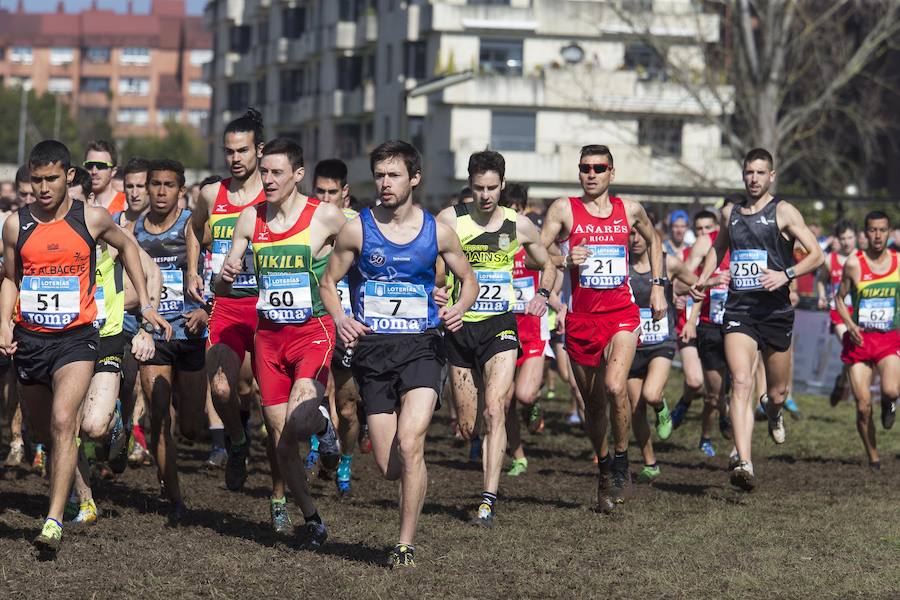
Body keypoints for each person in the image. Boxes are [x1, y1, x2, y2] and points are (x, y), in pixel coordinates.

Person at [0, 140, 167, 553]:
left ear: (69, 176)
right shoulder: (14, 225)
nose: (43, 187)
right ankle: (65, 495)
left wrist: (145, 302)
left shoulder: (90, 218)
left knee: (63, 421)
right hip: (31, 340)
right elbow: (10, 278)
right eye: (36, 179)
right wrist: (3, 321)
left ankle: (54, 519)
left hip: (77, 339)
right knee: (44, 431)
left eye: (51, 178)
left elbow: (128, 246)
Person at [320, 139, 477, 568]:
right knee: (390, 465)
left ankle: (404, 544)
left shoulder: (437, 231)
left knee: (412, 444)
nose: (385, 183)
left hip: (423, 347)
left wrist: (458, 310)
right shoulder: (358, 229)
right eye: (380, 175)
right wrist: (341, 319)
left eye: (394, 175)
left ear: (415, 179)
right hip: (373, 352)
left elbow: (469, 279)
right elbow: (329, 283)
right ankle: (405, 486)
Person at [216, 137, 345, 547]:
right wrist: (228, 271)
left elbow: (368, 242)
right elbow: (221, 281)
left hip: (312, 332)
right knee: (281, 439)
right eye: (264, 172)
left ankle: (323, 426)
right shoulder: (249, 219)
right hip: (269, 338)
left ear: (298, 174)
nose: (267, 180)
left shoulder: (324, 216)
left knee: (300, 419)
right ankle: (312, 518)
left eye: (276, 173)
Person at [540, 144, 665, 512]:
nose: (591, 174)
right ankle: (604, 464)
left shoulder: (630, 210)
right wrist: (563, 259)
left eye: (598, 167)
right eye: (584, 168)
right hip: (582, 321)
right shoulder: (565, 209)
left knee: (615, 386)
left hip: (622, 315)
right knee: (594, 406)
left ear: (612, 172)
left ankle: (624, 460)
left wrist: (658, 285)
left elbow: (654, 240)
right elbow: (534, 249)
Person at [690, 148, 824, 491]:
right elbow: (719, 248)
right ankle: (744, 462)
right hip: (740, 310)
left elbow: (817, 255)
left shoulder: (783, 211)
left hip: (775, 312)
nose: (753, 179)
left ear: (771, 176)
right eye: (749, 172)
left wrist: (786, 274)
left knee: (777, 392)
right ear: (743, 174)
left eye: (760, 173)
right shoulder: (731, 213)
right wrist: (704, 278)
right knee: (741, 381)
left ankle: (774, 411)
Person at [437, 150, 555, 527]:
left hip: (500, 326)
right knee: (469, 426)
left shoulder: (518, 225)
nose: (486, 196)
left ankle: (487, 499)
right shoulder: (450, 220)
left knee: (495, 408)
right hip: (459, 327)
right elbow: (432, 268)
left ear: (502, 185)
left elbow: (548, 262)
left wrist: (542, 295)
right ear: (469, 186)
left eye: (492, 188)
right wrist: (436, 290)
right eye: (478, 188)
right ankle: (481, 447)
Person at [187, 109, 284, 519]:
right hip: (225, 306)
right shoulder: (212, 194)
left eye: (243, 150)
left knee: (271, 409)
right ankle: (236, 442)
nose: (235, 158)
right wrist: (193, 269)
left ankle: (279, 497)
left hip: (268, 311)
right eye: (228, 151)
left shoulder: (276, 194)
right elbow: (194, 229)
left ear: (259, 150)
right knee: (223, 391)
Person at [133, 158, 210, 523]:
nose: (161, 192)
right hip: (155, 336)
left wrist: (207, 310)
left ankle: (191, 436)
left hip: (191, 332)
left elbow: (221, 268)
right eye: (155, 184)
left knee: (192, 427)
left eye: (169, 185)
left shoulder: (193, 226)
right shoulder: (133, 231)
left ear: (182, 191)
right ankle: (176, 499)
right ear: (147, 187)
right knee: (160, 417)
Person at [501, 182, 564, 477]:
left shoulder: (533, 240)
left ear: (524, 210)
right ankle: (519, 456)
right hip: (502, 329)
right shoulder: (491, 243)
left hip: (533, 329)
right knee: (504, 402)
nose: (513, 216)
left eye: (518, 210)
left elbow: (554, 270)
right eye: (508, 210)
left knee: (524, 395)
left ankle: (535, 402)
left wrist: (557, 304)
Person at [626, 227, 696, 482]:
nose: (634, 240)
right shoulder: (620, 265)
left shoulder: (669, 263)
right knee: (635, 409)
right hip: (632, 344)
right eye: (630, 235)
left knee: (651, 394)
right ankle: (650, 463)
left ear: (650, 237)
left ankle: (662, 406)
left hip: (661, 342)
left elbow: (697, 287)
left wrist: (687, 313)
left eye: (639, 235)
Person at [834, 211, 898, 469]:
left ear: (890, 232)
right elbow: (838, 298)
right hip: (860, 341)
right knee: (862, 406)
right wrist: (849, 325)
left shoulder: (898, 261)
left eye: (882, 230)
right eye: (872, 230)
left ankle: (888, 404)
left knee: (892, 390)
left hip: (889, 340)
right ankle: (873, 456)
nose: (877, 235)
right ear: (865, 233)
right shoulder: (854, 263)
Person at [312, 158, 361, 497]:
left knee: (346, 406)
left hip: (347, 326)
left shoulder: (361, 225)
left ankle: (345, 457)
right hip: (312, 322)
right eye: (320, 191)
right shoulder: (302, 222)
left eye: (333, 192)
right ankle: (318, 443)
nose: (326, 198)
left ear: (345, 192)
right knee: (311, 394)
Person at [679, 209, 732, 456]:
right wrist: (704, 283)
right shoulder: (705, 246)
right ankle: (707, 434)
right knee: (710, 391)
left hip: (739, 326)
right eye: (700, 229)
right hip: (707, 324)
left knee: (740, 386)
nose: (705, 233)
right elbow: (682, 281)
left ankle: (740, 447)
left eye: (708, 227)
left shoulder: (748, 245)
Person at [817, 220, 858, 406]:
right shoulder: (830, 259)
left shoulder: (862, 257)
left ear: (856, 237)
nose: (847, 242)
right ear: (838, 240)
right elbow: (820, 279)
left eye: (850, 237)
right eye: (843, 238)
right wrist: (821, 296)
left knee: (856, 351)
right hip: (838, 313)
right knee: (851, 345)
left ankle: (841, 382)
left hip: (859, 313)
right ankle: (852, 391)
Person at [84, 140, 126, 214]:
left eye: (101, 166)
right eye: (89, 165)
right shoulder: (77, 203)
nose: (94, 171)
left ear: (113, 171)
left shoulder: (126, 204)